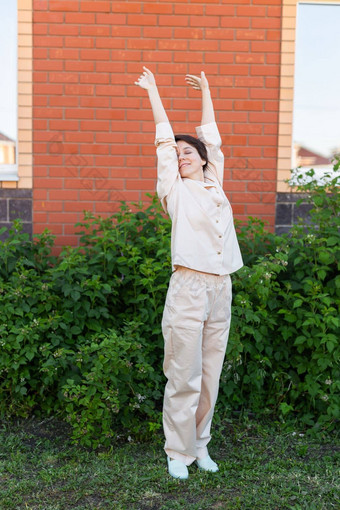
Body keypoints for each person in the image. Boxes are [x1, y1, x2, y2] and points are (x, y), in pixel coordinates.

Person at [135, 67, 243, 480]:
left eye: (187, 151)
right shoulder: (174, 192)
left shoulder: (215, 184)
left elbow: (213, 140)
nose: (180, 155)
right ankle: (177, 453)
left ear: (201, 158)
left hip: (221, 287)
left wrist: (208, 92)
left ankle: (200, 446)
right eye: (176, 153)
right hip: (188, 287)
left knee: (211, 373)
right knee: (184, 374)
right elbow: (163, 142)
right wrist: (155, 92)